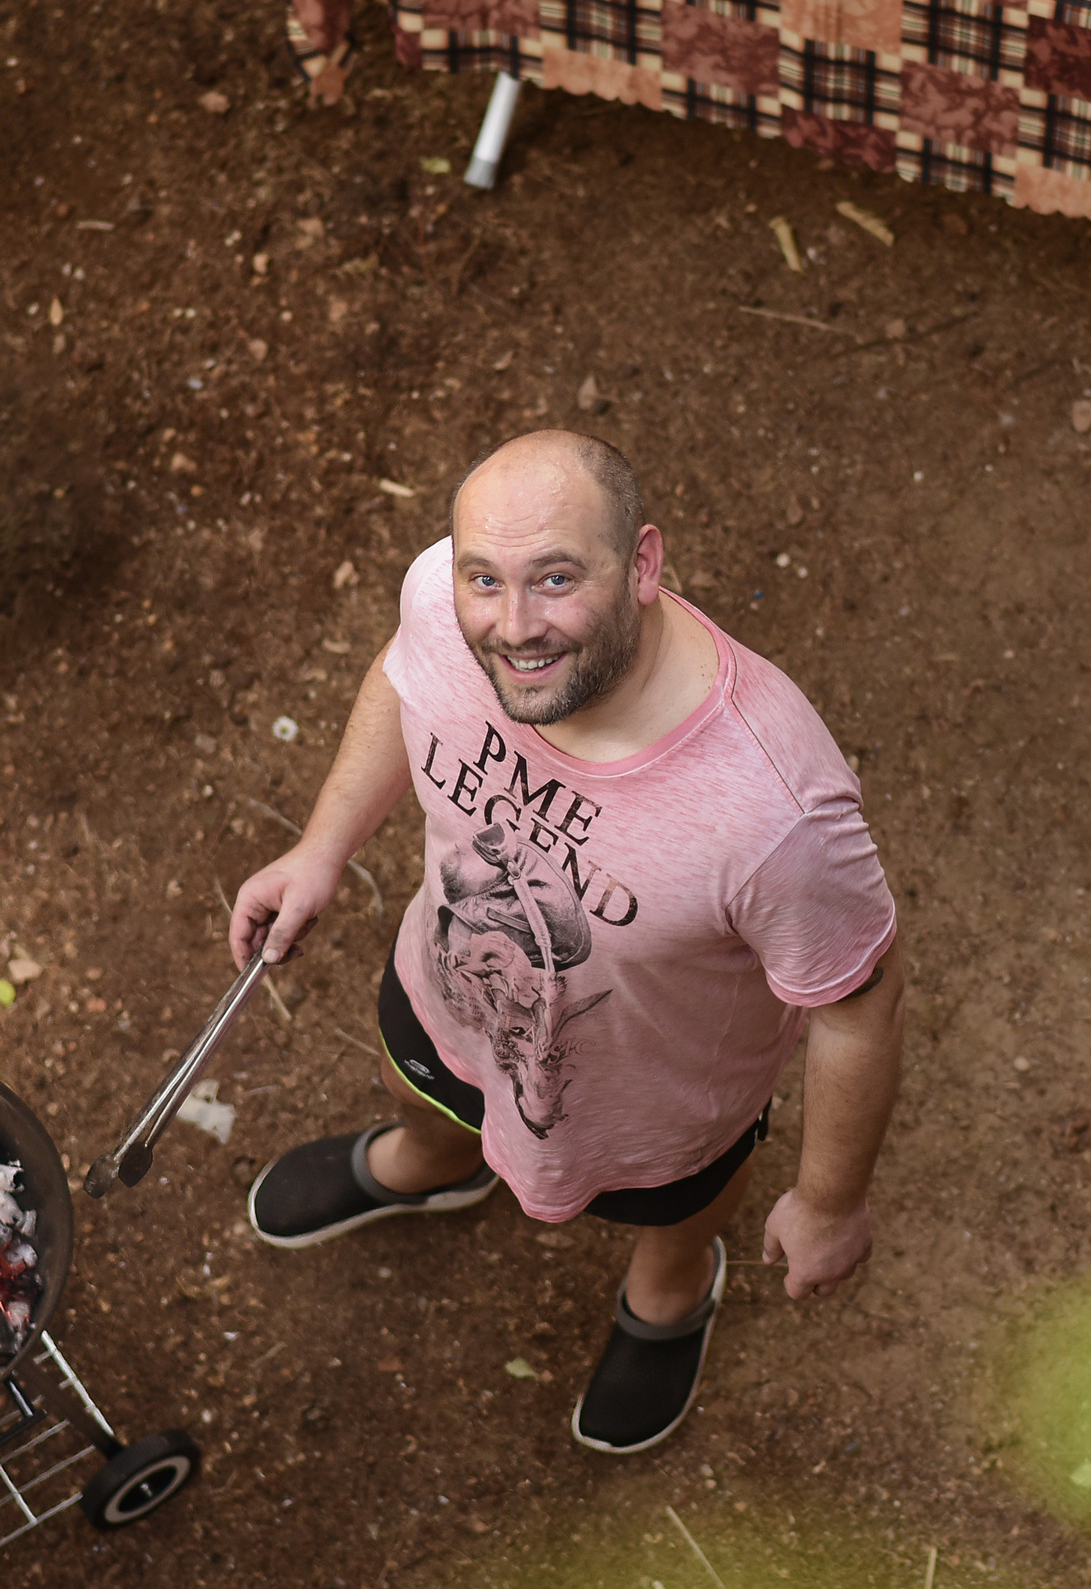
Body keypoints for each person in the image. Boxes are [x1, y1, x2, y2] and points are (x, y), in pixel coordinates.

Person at [225, 430, 905, 1455]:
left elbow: (859, 1005)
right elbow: (403, 679)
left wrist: (829, 1205)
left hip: (659, 1105)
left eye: (555, 579)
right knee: (424, 1076)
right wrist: (322, 848)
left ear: (641, 565)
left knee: (674, 1206)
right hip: (448, 987)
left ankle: (671, 1293)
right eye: (484, 581)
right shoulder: (441, 608)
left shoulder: (774, 811)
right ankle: (434, 1161)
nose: (513, 628)